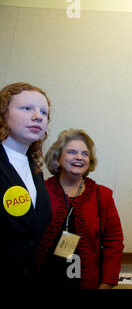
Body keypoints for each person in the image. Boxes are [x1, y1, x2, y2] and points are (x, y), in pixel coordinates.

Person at [36, 128, 124, 289]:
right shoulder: (40, 190)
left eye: (85, 154)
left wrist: (107, 283)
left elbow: (114, 243)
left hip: (86, 283)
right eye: (71, 152)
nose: (79, 157)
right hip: (43, 280)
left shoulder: (102, 196)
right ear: (57, 158)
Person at [0, 82, 52, 286]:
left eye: (44, 112)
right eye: (27, 108)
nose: (38, 116)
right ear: (3, 113)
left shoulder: (35, 170)